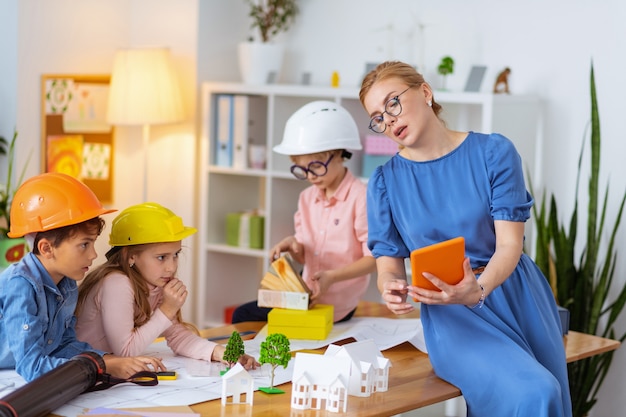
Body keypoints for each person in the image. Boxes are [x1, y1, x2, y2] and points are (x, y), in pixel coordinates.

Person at [359, 61, 572, 417]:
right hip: (452, 317)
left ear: (425, 92)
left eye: (393, 102)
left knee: (547, 391)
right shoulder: (385, 183)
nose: (389, 120)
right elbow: (388, 262)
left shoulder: (494, 153)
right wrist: (390, 286)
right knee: (536, 391)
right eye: (378, 117)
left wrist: (480, 288)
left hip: (515, 296)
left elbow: (509, 245)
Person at [0, 172, 165, 382]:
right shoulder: (21, 286)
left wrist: (110, 360)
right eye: (84, 245)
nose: (94, 254)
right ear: (47, 248)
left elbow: (64, 345)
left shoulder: (67, 283)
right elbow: (32, 366)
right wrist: (103, 365)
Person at [232, 101, 376, 324]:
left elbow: (374, 259)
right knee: (243, 314)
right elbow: (306, 255)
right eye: (302, 169)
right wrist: (293, 245)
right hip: (305, 294)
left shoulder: (361, 197)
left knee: (252, 319)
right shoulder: (307, 198)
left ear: (340, 154)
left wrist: (332, 277)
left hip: (338, 304)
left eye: (317, 166)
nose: (310, 176)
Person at [75, 202, 258, 370]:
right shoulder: (116, 283)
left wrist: (221, 352)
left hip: (108, 371)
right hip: (85, 371)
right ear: (131, 256)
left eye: (176, 254)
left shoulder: (155, 282)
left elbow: (177, 336)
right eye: (161, 257)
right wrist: (167, 309)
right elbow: (125, 351)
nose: (171, 267)